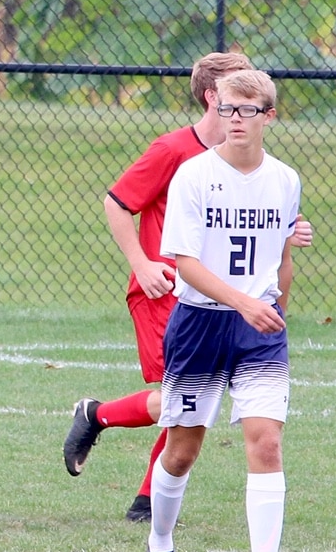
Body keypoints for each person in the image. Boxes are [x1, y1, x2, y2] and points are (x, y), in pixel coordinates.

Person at [62, 52, 255, 521]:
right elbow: (116, 202)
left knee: (192, 398)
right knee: (180, 398)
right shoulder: (172, 149)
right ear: (213, 97)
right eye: (237, 91)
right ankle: (98, 417)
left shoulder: (238, 159)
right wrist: (142, 263)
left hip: (211, 298)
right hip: (162, 293)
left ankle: (148, 500)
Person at [146, 69, 305, 552]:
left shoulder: (284, 179)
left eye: (249, 110)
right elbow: (186, 264)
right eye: (229, 109)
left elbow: (280, 258)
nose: (236, 120)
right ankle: (160, 544)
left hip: (258, 329)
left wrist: (275, 301)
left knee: (266, 441)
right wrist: (244, 302)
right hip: (201, 323)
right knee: (183, 450)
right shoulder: (193, 175)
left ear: (269, 116)